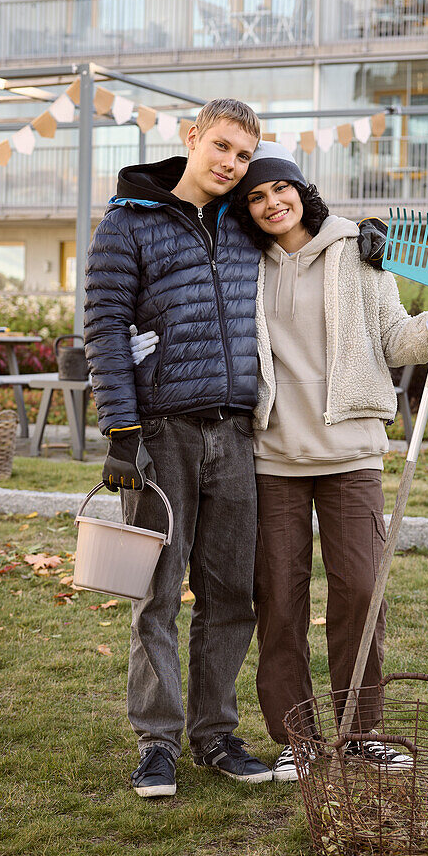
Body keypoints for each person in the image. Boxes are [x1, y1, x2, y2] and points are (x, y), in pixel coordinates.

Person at [230, 141, 428, 782]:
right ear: (245, 209)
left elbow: (392, 338)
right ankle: (296, 741)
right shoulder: (241, 262)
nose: (271, 203)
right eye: (254, 196)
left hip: (350, 452)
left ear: (301, 191)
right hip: (273, 454)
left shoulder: (361, 251)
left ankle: (361, 734)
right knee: (279, 601)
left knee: (360, 592)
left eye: (278, 190)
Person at [84, 99, 274, 798]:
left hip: (236, 433)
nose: (231, 164)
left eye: (245, 155)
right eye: (222, 147)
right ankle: (157, 743)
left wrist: (358, 232)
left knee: (230, 595)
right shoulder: (127, 224)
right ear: (191, 138)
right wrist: (121, 431)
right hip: (161, 433)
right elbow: (104, 328)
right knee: (157, 592)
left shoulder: (248, 223)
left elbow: (311, 233)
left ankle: (215, 735)